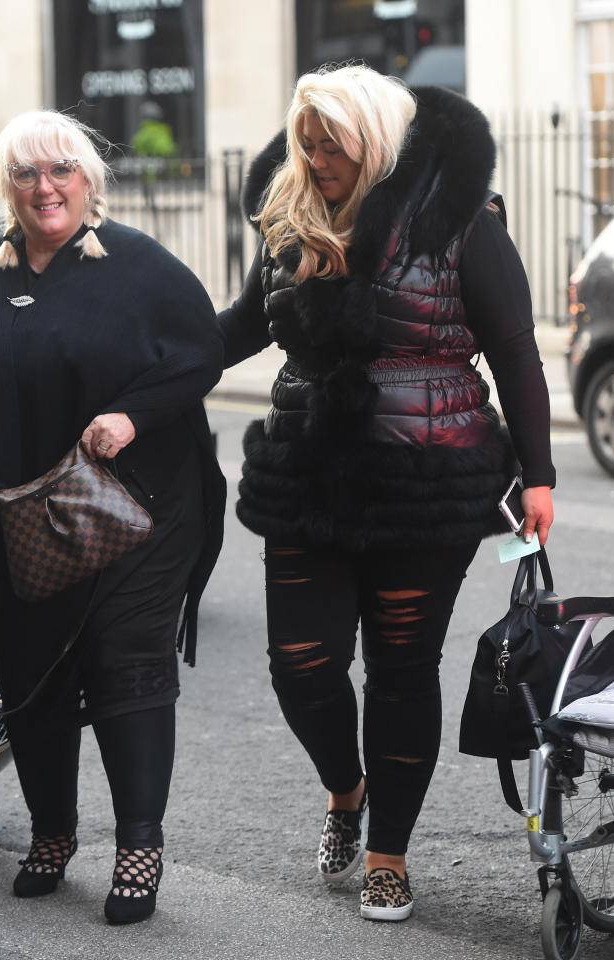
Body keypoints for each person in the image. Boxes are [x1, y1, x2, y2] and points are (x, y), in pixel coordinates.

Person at [218, 64, 555, 922]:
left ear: (373, 143)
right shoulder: (291, 218)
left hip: (425, 480)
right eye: (306, 140)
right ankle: (345, 787)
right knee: (302, 666)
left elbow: (515, 351)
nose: (316, 156)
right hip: (308, 475)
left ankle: (387, 856)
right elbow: (235, 329)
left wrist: (542, 474)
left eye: (332, 143)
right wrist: (135, 378)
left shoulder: (461, 225)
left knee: (402, 673)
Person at [0, 110, 225, 925]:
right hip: (18, 523)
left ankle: (139, 846)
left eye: (61, 171)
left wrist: (135, 417)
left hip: (133, 514)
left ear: (88, 179)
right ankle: (51, 834)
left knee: (124, 666)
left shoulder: (137, 266)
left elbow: (200, 355)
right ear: (4, 188)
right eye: (25, 174)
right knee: (31, 675)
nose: (45, 188)